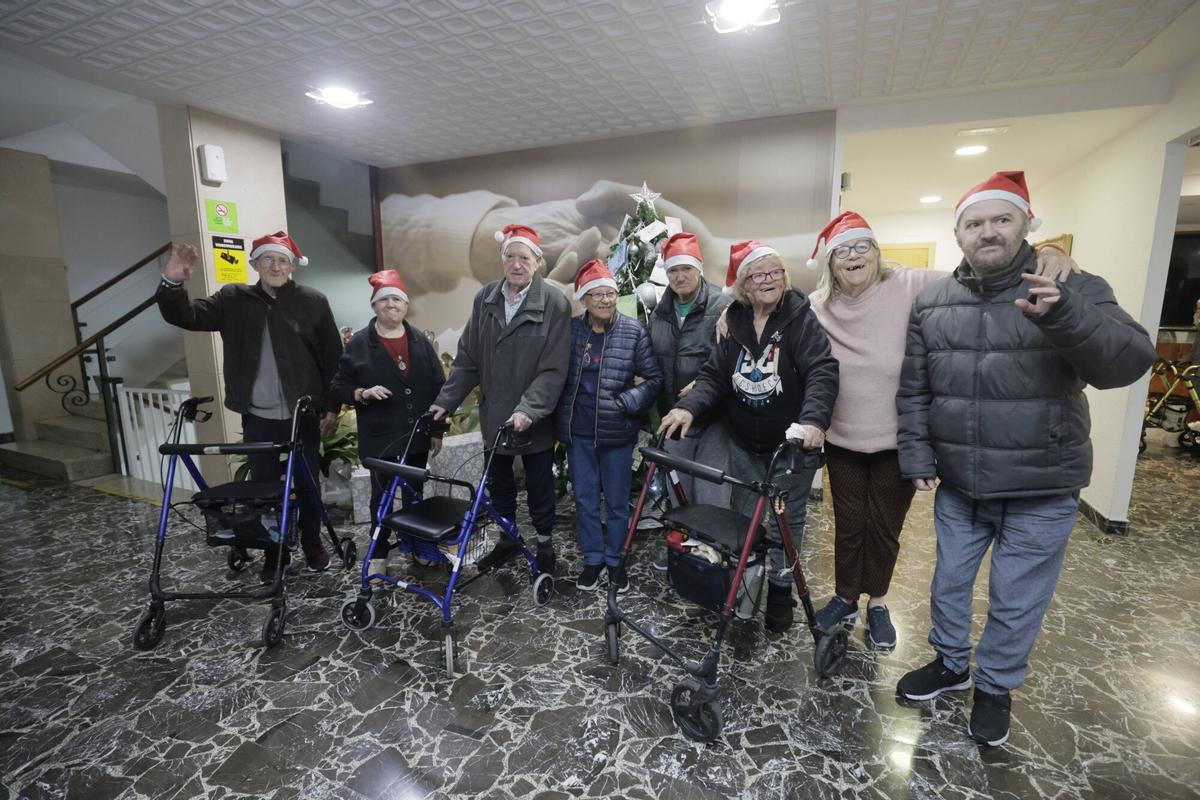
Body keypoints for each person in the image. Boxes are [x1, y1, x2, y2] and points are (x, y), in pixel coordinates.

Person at [894, 171, 1156, 747]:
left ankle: (995, 685)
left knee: (1018, 596)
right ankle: (950, 663)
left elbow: (1128, 364)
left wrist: (1065, 312)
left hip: (1043, 484)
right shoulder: (933, 300)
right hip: (961, 484)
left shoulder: (1072, 286)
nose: (988, 232)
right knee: (948, 584)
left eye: (1001, 219)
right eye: (975, 223)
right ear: (958, 233)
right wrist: (916, 452)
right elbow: (915, 388)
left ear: (1025, 225)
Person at [807, 211, 1080, 649]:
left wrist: (1047, 251)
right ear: (831, 264)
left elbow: (983, 273)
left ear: (877, 254)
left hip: (901, 441)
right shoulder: (819, 306)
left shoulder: (912, 284)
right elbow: (769, 310)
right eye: (843, 252)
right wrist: (727, 314)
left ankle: (876, 602)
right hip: (843, 441)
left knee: (883, 527)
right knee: (849, 524)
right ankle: (843, 598)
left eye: (862, 248)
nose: (854, 257)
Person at [659, 240, 839, 632]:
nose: (769, 279)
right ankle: (748, 579)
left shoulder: (799, 318)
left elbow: (822, 371)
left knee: (787, 521)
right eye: (759, 274)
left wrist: (813, 420)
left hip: (789, 446)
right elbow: (713, 376)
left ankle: (779, 588)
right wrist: (687, 407)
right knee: (745, 517)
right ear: (743, 286)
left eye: (776, 272)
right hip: (743, 441)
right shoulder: (734, 321)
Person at [156, 232, 342, 582]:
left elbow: (334, 357)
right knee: (264, 489)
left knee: (307, 483)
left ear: (292, 267)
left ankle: (313, 542)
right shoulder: (233, 298)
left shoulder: (313, 301)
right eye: (267, 259)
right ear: (254, 264)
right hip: (258, 415)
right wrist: (172, 283)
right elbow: (189, 317)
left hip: (303, 415)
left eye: (282, 260)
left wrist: (332, 406)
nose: (275, 265)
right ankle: (275, 551)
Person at [430, 224, 570, 574]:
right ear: (502, 260)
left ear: (538, 262)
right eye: (510, 256)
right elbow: (468, 359)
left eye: (524, 257)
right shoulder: (486, 298)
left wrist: (530, 409)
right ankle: (508, 539)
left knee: (539, 486)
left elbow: (554, 369)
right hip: (495, 415)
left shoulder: (554, 303)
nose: (516, 264)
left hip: (532, 419)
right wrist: (445, 401)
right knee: (500, 486)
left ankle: (544, 544)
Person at [555, 260, 661, 592]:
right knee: (585, 500)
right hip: (578, 434)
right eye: (598, 294)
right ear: (584, 299)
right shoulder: (571, 332)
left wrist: (623, 405)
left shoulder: (634, 332)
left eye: (611, 294)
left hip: (617, 433)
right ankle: (593, 559)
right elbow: (555, 375)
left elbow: (652, 379)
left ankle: (615, 561)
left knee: (616, 502)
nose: (605, 300)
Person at [331, 270, 444, 580]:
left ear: (406, 306)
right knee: (380, 497)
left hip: (416, 436)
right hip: (380, 437)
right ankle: (379, 552)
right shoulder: (359, 344)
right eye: (384, 300)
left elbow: (438, 384)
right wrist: (361, 393)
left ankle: (419, 548)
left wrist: (436, 430)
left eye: (397, 299)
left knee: (414, 496)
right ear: (374, 306)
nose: (391, 305)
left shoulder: (420, 339)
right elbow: (339, 385)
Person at [646, 232, 733, 571]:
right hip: (673, 417)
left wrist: (705, 380)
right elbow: (654, 355)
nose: (679, 277)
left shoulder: (721, 306)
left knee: (711, 489)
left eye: (686, 269)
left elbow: (730, 358)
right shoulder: (660, 312)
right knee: (677, 486)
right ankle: (681, 550)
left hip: (713, 418)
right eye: (672, 271)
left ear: (698, 269)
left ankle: (712, 557)